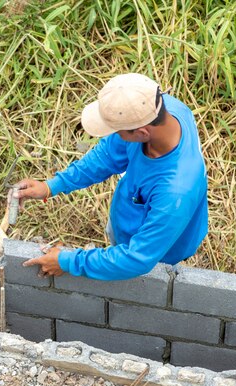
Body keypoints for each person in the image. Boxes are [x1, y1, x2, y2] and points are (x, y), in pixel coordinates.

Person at [13, 73, 208, 280]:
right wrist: (52, 186)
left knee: (149, 282)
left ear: (141, 133)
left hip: (160, 250)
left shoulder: (176, 192)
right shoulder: (162, 108)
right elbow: (106, 156)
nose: (114, 135)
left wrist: (68, 262)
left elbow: (136, 259)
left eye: (118, 131)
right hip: (131, 217)